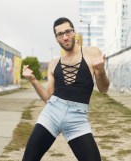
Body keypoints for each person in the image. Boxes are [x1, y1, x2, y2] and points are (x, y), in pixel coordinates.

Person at [22, 17, 110, 161]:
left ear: (74, 32)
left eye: (68, 32)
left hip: (77, 118)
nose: (65, 37)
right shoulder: (54, 63)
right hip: (51, 114)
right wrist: (33, 81)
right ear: (56, 38)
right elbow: (48, 98)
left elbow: (104, 89)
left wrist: (100, 71)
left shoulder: (92, 53)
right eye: (60, 34)